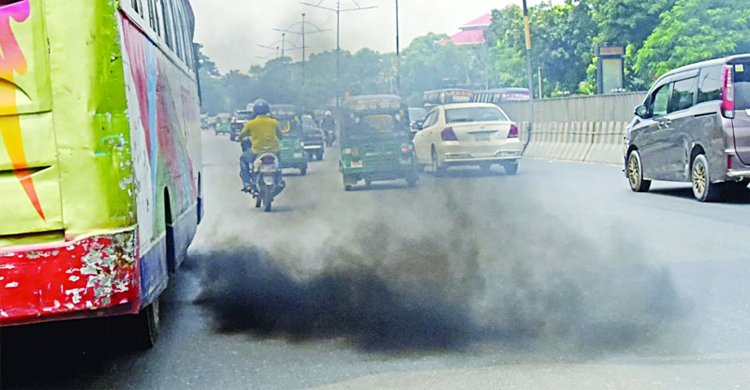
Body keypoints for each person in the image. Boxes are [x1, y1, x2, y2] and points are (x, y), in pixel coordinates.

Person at [238, 99, 281, 192]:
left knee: (243, 159)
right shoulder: (274, 122)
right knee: (279, 163)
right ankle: (280, 180)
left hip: (257, 151)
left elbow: (241, 136)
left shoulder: (251, 123)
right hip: (273, 151)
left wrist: (240, 138)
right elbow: (280, 135)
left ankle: (247, 183)